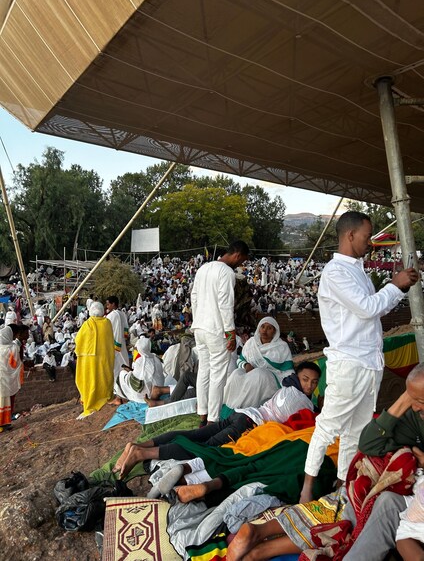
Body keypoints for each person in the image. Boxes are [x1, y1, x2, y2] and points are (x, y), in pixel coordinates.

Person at [226, 362, 424, 561]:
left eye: (419, 401)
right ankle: (261, 543)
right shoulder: (416, 416)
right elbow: (368, 444)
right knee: (343, 504)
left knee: (342, 511)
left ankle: (261, 543)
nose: (414, 406)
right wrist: (404, 400)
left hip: (399, 499)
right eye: (412, 399)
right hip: (370, 488)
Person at [300, 211, 418, 503]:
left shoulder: (356, 271)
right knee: (328, 427)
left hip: (368, 363)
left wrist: (395, 288)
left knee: (358, 431)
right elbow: (368, 308)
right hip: (349, 363)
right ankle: (306, 491)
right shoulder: (335, 272)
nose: (370, 241)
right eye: (367, 236)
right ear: (350, 235)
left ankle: (342, 486)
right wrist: (396, 285)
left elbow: (373, 310)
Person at [112, 362, 321, 480]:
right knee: (203, 449)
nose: (309, 386)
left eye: (314, 382)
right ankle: (141, 453)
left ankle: (136, 446)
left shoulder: (288, 388)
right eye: (305, 379)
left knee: (193, 435)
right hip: (248, 425)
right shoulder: (301, 400)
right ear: (297, 376)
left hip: (242, 414)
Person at [191, 240, 250, 424]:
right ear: (238, 255)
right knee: (217, 375)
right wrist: (230, 333)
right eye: (242, 261)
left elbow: (193, 297)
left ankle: (202, 414)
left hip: (199, 327)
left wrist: (197, 319)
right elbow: (225, 304)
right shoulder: (226, 272)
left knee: (204, 371)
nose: (241, 265)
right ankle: (212, 420)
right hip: (216, 330)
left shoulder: (203, 269)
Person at [223, 317, 294, 409]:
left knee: (259, 373)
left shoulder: (282, 346)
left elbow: (288, 370)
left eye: (269, 328)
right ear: (259, 328)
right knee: (236, 374)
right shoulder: (251, 343)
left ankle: (245, 409)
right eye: (263, 327)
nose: (264, 331)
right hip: (251, 375)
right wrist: (246, 365)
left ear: (275, 331)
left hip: (272, 379)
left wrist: (289, 388)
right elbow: (240, 360)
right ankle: (227, 405)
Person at [75, 301, 115, 419]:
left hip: (90, 361)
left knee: (91, 381)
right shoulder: (107, 323)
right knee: (104, 378)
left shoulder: (87, 324)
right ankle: (106, 399)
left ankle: (91, 404)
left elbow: (78, 340)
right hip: (105, 359)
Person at [114, 336, 164, 403]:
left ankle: (121, 396)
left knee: (122, 374)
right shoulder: (156, 358)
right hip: (159, 388)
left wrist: (129, 373)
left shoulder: (140, 361)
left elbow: (136, 384)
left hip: (145, 395)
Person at [0, 326, 21, 432]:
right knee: (6, 401)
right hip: (6, 380)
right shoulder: (12, 348)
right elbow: (14, 364)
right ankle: (4, 423)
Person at [105, 296, 129, 381]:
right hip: (122, 343)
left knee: (115, 367)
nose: (107, 306)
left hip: (113, 344)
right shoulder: (122, 313)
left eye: (108, 304)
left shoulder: (111, 316)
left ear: (113, 304)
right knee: (124, 363)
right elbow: (126, 330)